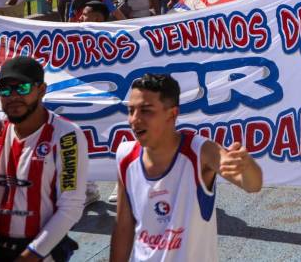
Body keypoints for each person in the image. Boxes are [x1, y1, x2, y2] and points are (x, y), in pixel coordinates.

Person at [109, 73, 262, 261]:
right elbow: (123, 226)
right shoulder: (125, 155)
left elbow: (252, 185)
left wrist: (246, 166)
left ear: (172, 114)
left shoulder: (200, 151)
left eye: (146, 110)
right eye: (131, 110)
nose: (134, 119)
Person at [0, 56, 88, 262]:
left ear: (42, 90)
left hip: (40, 253)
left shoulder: (67, 136)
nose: (13, 96)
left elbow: (71, 207)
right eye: (5, 89)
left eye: (23, 88)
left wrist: (29, 257)